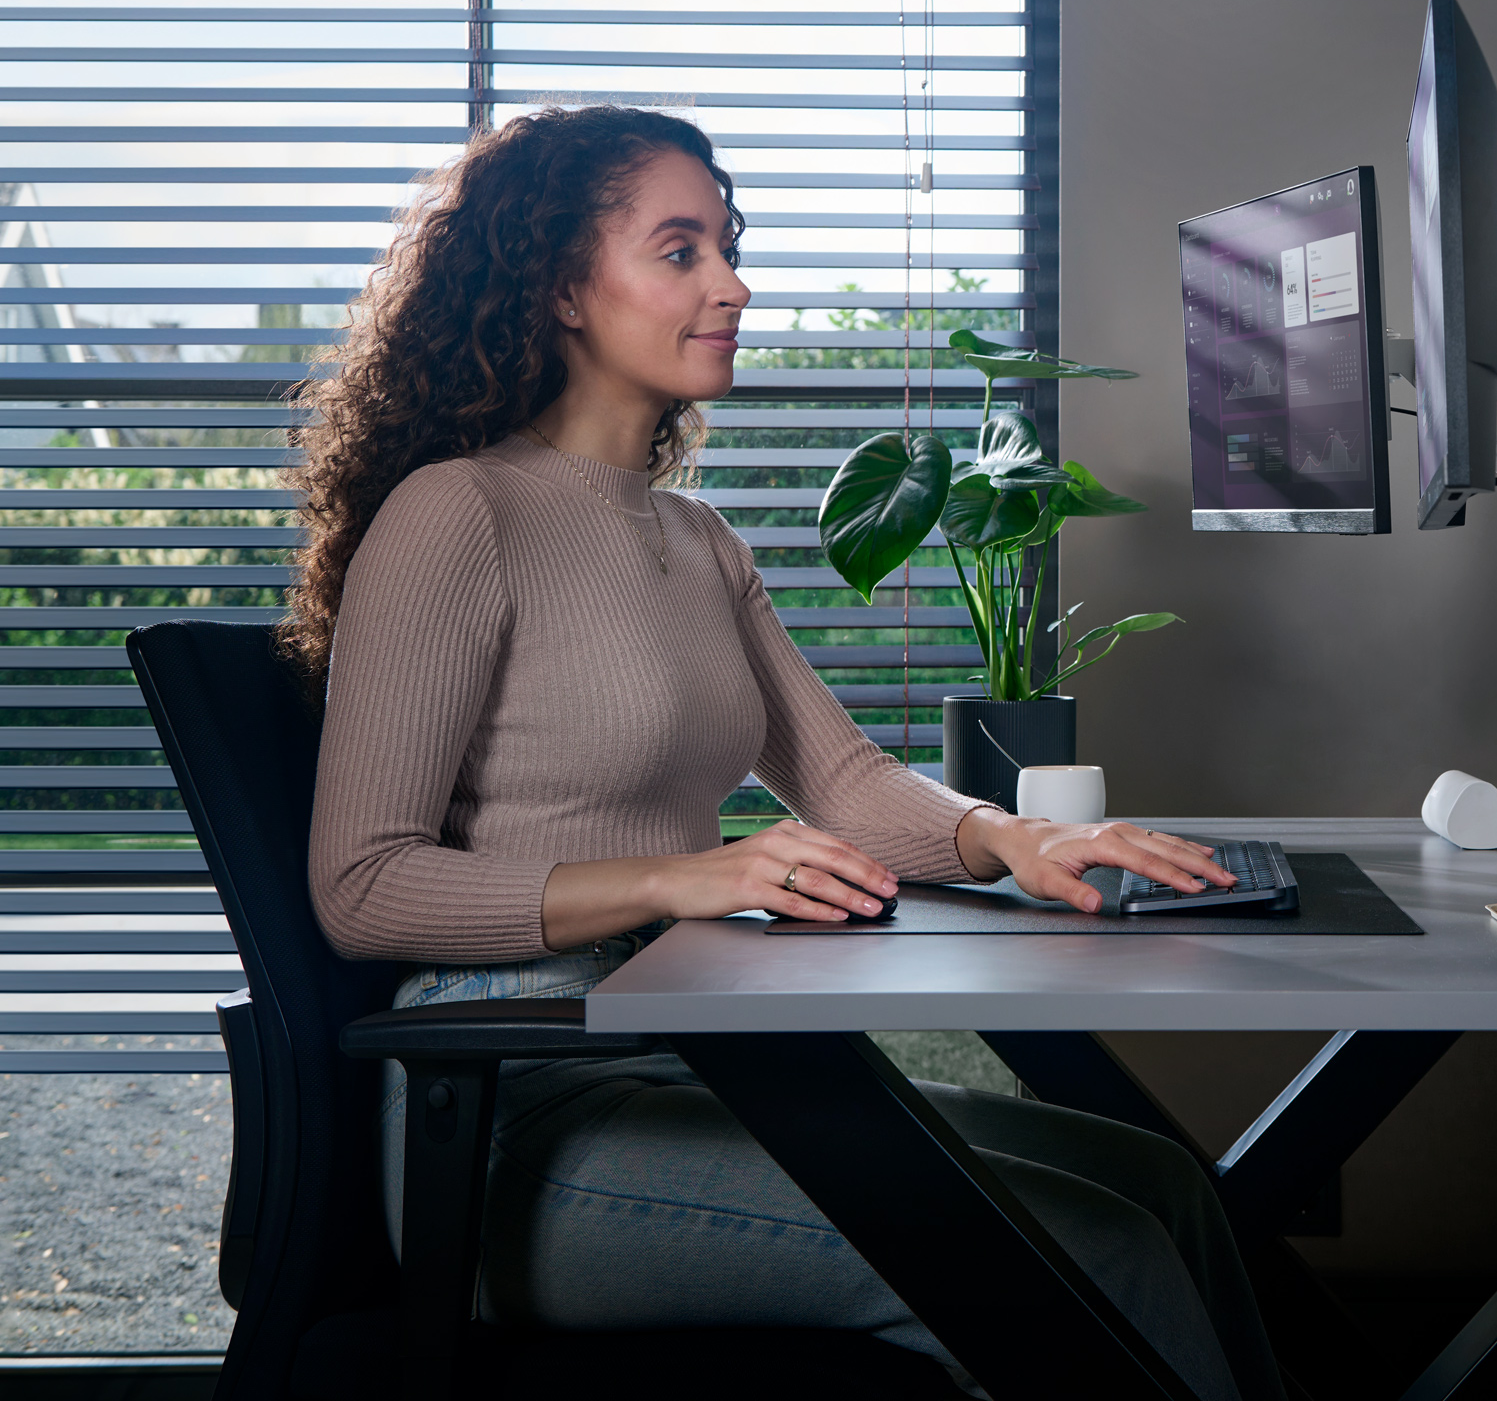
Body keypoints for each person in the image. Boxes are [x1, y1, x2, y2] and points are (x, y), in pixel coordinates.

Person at [292, 104, 1280, 1401]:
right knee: (1097, 1258)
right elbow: (362, 888)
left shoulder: (698, 541)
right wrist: (672, 877)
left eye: (730, 244)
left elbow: (848, 779)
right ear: (562, 288)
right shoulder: (456, 514)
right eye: (681, 249)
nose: (735, 283)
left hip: (695, 1066)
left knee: (1161, 1190)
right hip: (515, 1111)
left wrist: (1016, 839)